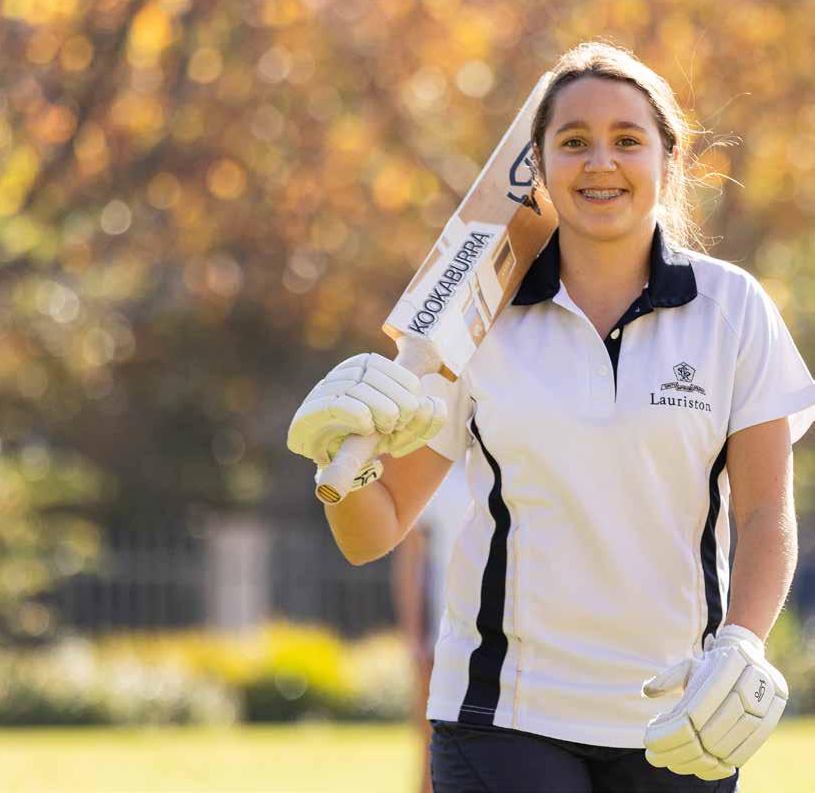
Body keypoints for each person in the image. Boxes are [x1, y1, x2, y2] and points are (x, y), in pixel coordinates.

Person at [287, 41, 815, 792]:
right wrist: (341, 468)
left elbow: (765, 514)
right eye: (573, 142)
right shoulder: (475, 320)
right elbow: (375, 529)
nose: (600, 162)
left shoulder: (732, 309)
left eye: (626, 140)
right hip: (501, 714)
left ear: (669, 161)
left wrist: (741, 644)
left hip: (681, 712)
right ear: (536, 163)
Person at [392, 464, 472, 793]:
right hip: (444, 639)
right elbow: (412, 560)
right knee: (432, 755)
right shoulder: (438, 471)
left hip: (511, 641)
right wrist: (413, 638)